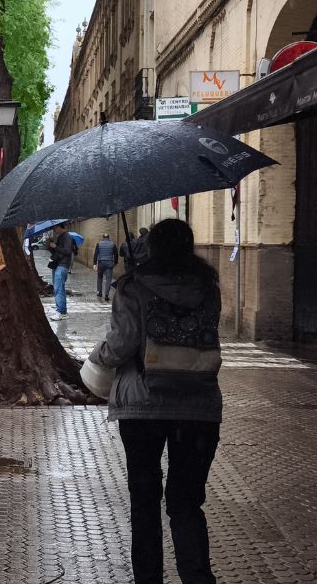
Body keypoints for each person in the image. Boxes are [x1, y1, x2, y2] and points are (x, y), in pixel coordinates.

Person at [88, 219, 222, 584]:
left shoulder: (133, 287)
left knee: (144, 500)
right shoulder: (208, 287)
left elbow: (121, 344)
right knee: (186, 502)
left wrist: (96, 355)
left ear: (153, 248)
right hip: (199, 407)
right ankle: (197, 578)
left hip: (143, 406)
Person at [46, 222, 76, 320]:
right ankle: (62, 311)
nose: (53, 229)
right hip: (57, 265)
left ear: (59, 226)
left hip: (62, 265)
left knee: (58, 289)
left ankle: (60, 312)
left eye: (54, 227)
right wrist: (51, 247)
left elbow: (67, 251)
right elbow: (57, 252)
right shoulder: (60, 237)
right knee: (58, 289)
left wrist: (55, 247)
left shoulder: (66, 236)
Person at [93, 232, 117, 302]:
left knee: (100, 277)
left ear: (103, 238)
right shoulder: (113, 244)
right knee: (108, 279)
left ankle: (99, 292)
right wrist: (115, 262)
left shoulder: (99, 244)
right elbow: (116, 254)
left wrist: (94, 263)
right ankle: (106, 295)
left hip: (101, 263)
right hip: (109, 262)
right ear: (109, 238)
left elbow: (96, 254)